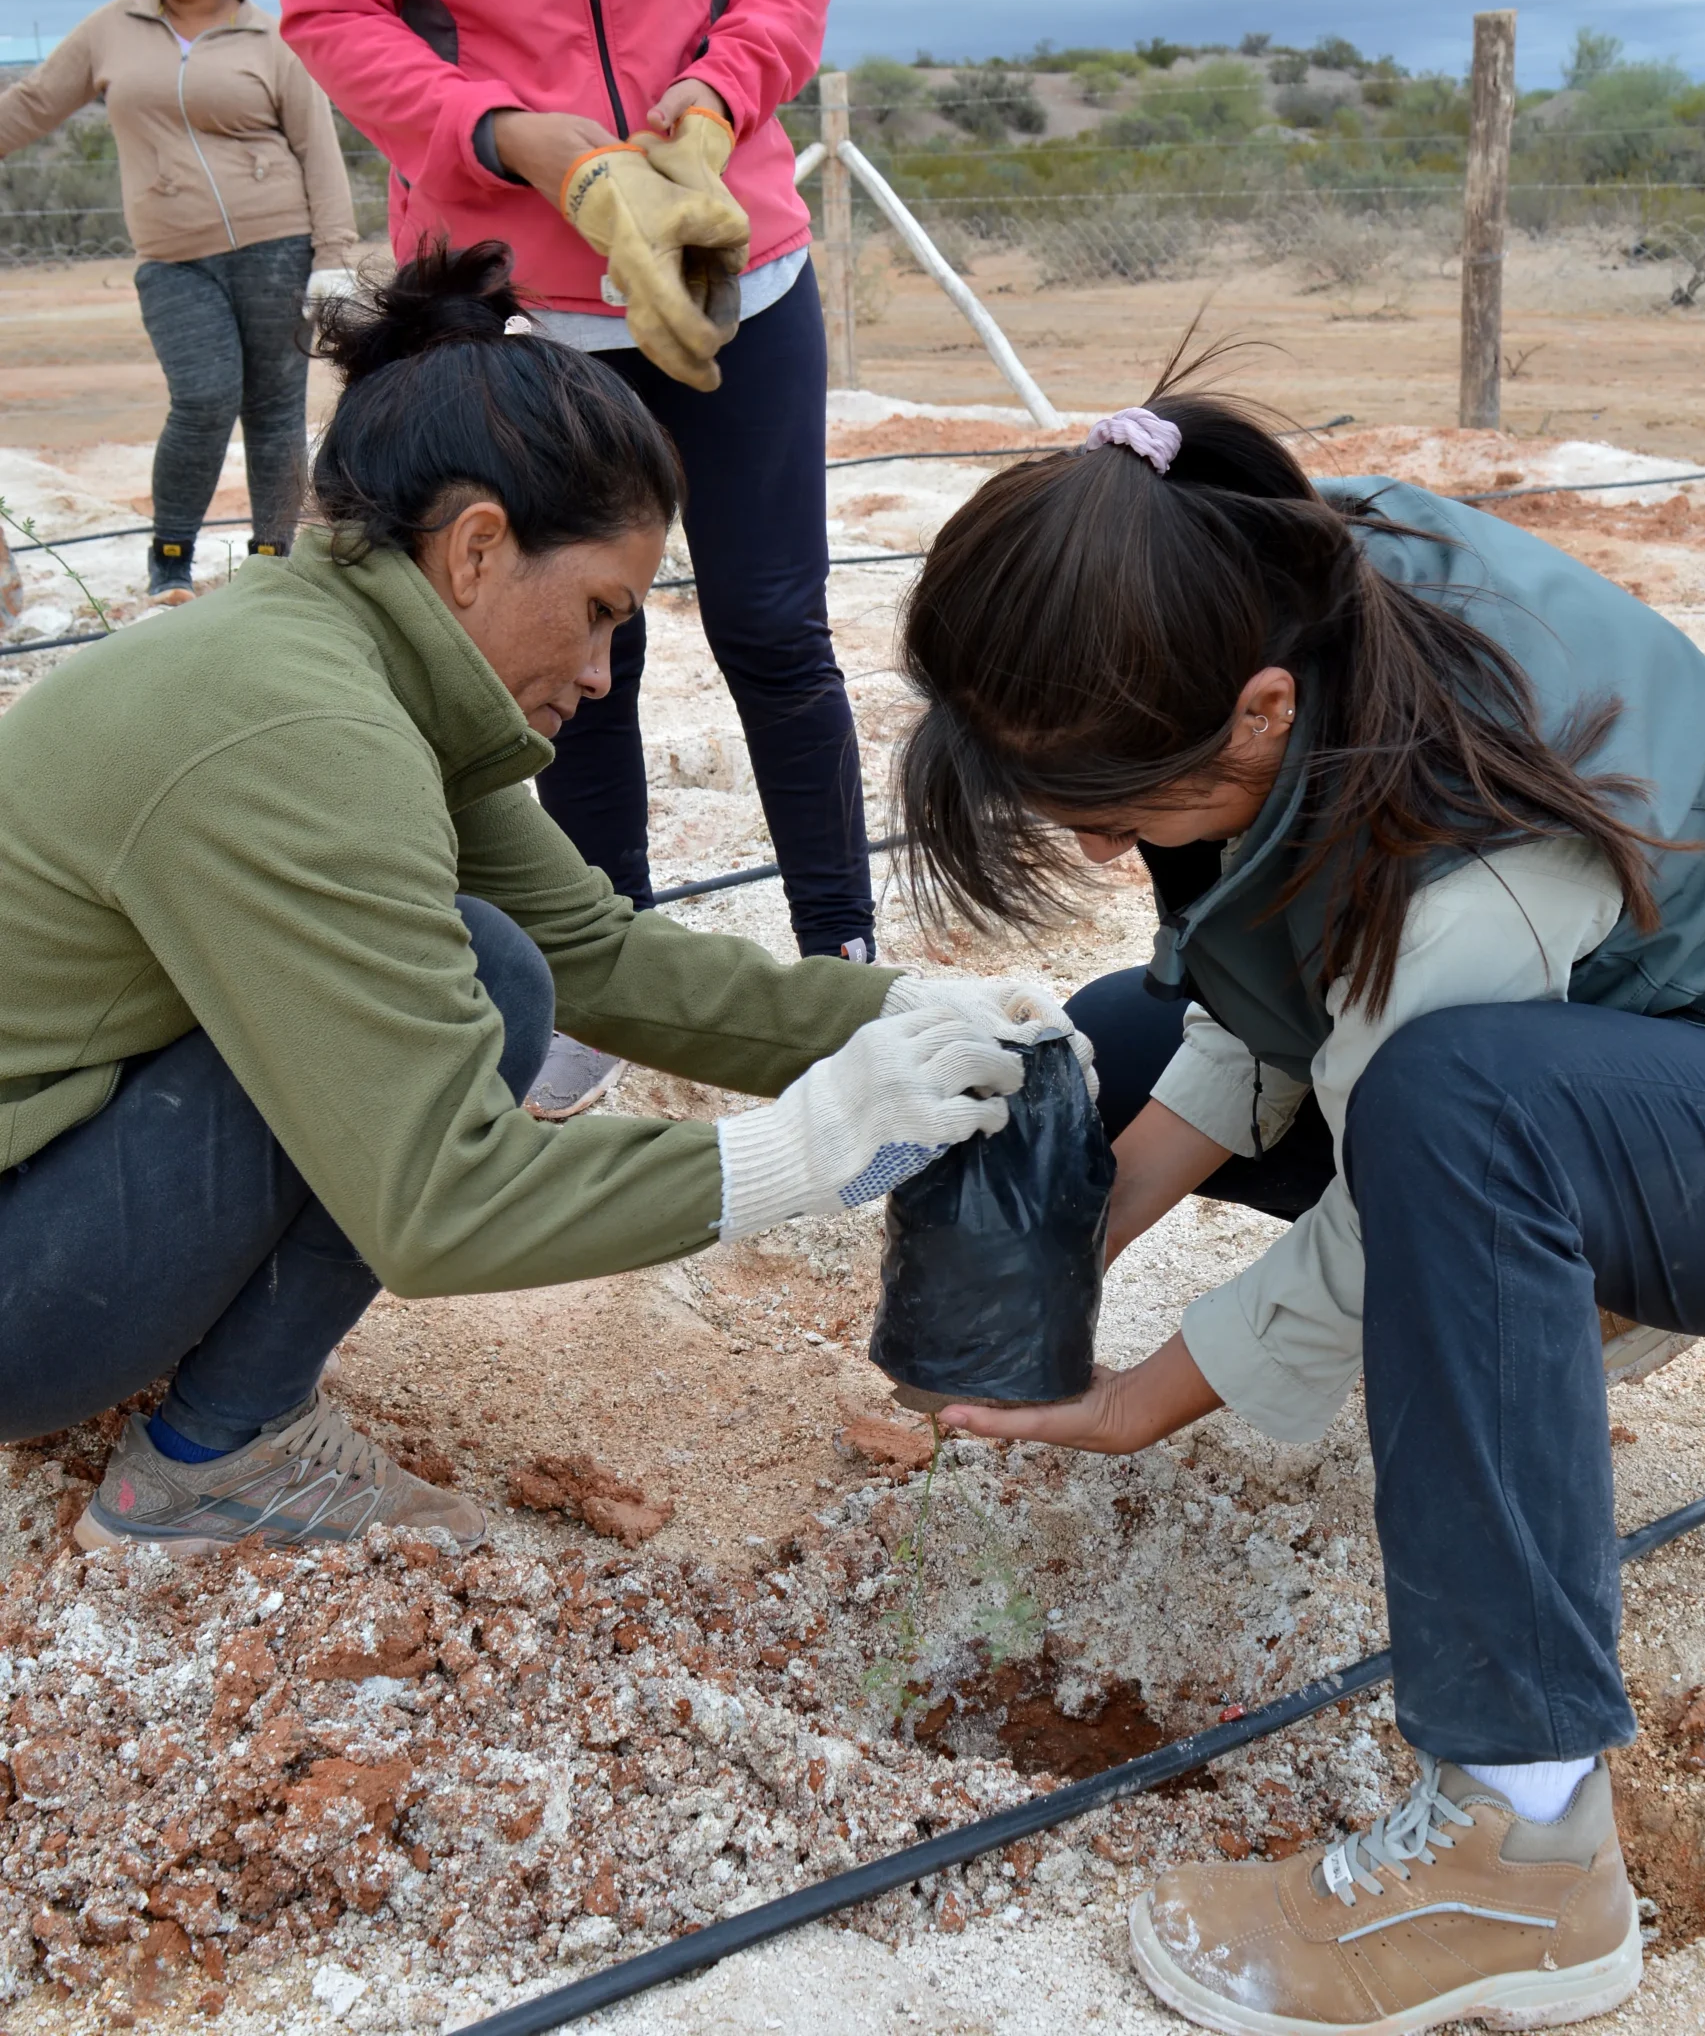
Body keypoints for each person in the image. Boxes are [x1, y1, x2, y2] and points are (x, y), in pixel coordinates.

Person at [893, 381, 1705, 2036]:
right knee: (1124, 1033)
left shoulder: (1471, 823)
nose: (1106, 851)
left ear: (1259, 714)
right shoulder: (1239, 576)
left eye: (1117, 817)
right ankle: (1562, 1281)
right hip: (1622, 1060)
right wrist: (1073, 1250)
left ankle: (1521, 1851)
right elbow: (1277, 983)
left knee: (1454, 1116)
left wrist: (1138, 1398)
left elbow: (1395, 1136)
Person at [0, 241, 1083, 1556]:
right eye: (598, 610)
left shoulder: (331, 654)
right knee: (463, 990)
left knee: (501, 968)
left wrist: (908, 1009)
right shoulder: (304, 736)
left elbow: (597, 958)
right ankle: (214, 1460)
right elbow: (440, 1204)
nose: (602, 670)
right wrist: (808, 1148)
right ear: (475, 548)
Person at [271, 0, 873, 1124]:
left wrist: (708, 109)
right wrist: (531, 146)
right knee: (567, 654)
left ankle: (840, 972)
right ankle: (598, 987)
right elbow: (335, 18)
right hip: (518, 297)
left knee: (774, 627)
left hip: (730, 264)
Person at [0, 0, 358, 602]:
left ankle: (271, 565)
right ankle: (171, 563)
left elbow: (318, 148)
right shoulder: (114, 28)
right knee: (203, 397)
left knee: (275, 412)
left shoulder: (269, 37)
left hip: (277, 247)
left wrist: (334, 256)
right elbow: (32, 104)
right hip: (174, 260)